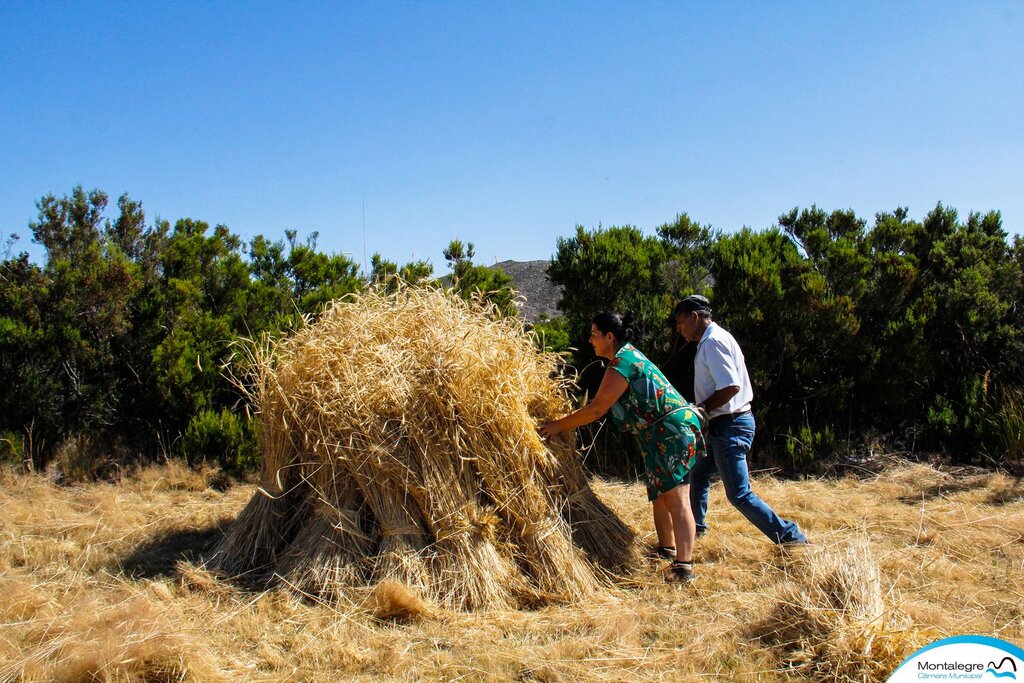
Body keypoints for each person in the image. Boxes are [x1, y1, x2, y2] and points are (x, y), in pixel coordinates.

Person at [539, 312, 704, 583]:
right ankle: (666, 549)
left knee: (677, 498)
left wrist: (558, 425)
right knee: (660, 494)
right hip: (658, 434)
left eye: (594, 334)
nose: (590, 340)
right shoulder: (625, 358)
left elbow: (596, 410)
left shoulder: (623, 363)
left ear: (609, 336)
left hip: (672, 433)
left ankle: (683, 568)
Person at [672, 295, 808, 545]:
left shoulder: (713, 342)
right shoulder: (712, 339)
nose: (679, 328)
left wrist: (701, 408)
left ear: (695, 317)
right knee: (698, 475)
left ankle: (791, 538)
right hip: (722, 426)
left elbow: (730, 386)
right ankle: (696, 530)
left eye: (681, 322)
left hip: (730, 426)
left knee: (739, 495)